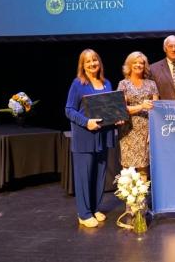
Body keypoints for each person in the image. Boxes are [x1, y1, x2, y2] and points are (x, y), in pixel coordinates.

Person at [65, 48, 117, 228]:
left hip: (103, 137)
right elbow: (69, 110)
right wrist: (86, 122)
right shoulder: (77, 84)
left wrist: (115, 118)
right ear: (82, 65)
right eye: (88, 61)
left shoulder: (107, 83)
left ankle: (94, 208)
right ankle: (84, 213)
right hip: (85, 137)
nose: (92, 63)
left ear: (99, 62)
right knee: (84, 176)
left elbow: (109, 108)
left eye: (95, 60)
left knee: (99, 175)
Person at [117, 51, 159, 181]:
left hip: (146, 130)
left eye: (141, 63)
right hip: (128, 130)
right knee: (128, 168)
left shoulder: (151, 84)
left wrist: (153, 131)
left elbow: (156, 110)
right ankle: (129, 201)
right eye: (135, 62)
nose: (138, 65)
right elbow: (121, 109)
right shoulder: (123, 84)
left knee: (143, 166)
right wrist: (141, 106)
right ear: (129, 65)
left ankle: (141, 201)